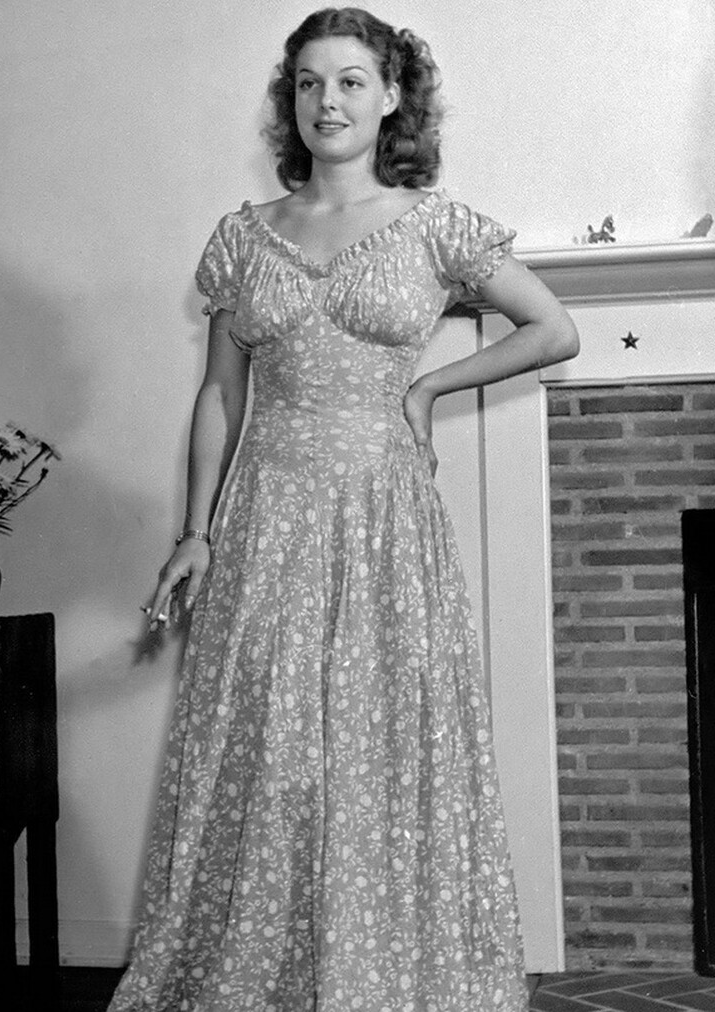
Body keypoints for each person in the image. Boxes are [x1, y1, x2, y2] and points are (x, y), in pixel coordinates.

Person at [108, 7, 579, 1011]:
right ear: (290, 100)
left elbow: (552, 328)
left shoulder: (434, 223)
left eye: (351, 81)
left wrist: (428, 387)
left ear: (392, 96)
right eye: (309, 82)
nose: (328, 101)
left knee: (381, 745)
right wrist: (194, 530)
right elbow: (219, 394)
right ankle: (266, 979)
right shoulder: (243, 237)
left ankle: (381, 977)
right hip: (267, 516)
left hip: (383, 520)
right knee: (269, 748)